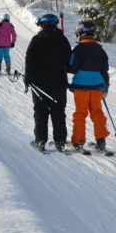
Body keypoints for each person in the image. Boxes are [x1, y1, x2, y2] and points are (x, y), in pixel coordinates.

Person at [24, 14, 71, 152]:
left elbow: (29, 59)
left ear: (41, 25)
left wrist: (28, 77)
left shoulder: (36, 40)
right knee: (58, 111)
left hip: (40, 84)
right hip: (59, 83)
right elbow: (69, 61)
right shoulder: (63, 40)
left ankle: (41, 140)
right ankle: (60, 141)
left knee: (40, 111)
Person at [68, 21, 110, 153]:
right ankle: (101, 141)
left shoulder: (78, 49)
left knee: (80, 114)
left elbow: (72, 68)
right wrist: (105, 87)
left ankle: (79, 141)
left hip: (81, 87)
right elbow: (105, 71)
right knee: (97, 113)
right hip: (97, 87)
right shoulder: (100, 50)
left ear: (80, 33)